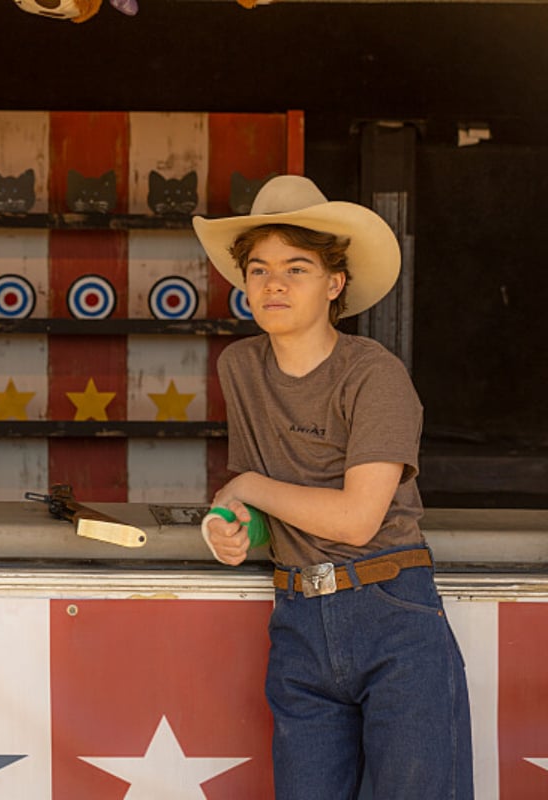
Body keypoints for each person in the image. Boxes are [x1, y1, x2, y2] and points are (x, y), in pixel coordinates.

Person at [193, 175, 472, 799]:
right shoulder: (239, 367)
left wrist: (246, 486)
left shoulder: (374, 374)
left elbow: (354, 521)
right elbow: (259, 503)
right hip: (297, 618)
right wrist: (229, 525)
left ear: (334, 283)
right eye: (259, 269)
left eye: (298, 268)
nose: (275, 284)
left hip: (391, 611)